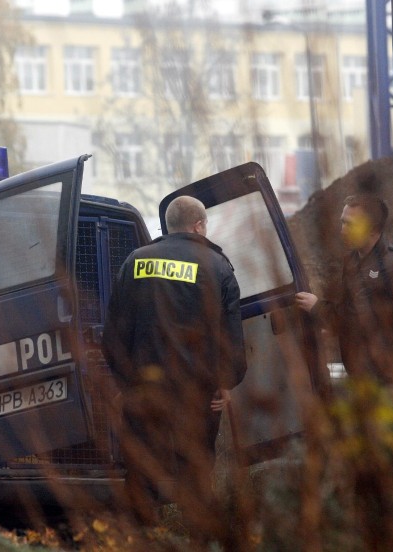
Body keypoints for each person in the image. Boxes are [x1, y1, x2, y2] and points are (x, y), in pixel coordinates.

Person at [101, 195, 247, 539]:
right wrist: (226, 383)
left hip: (143, 391)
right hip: (197, 394)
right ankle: (197, 541)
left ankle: (140, 539)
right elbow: (231, 337)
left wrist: (125, 383)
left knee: (140, 472)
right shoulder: (217, 266)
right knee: (195, 473)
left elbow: (114, 335)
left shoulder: (135, 261)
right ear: (198, 226)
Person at [295, 194, 393, 381]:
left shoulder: (388, 268)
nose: (342, 230)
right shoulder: (354, 259)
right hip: (365, 372)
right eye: (342, 222)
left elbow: (355, 320)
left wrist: (317, 307)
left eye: (350, 224)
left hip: (386, 377)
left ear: (372, 230)